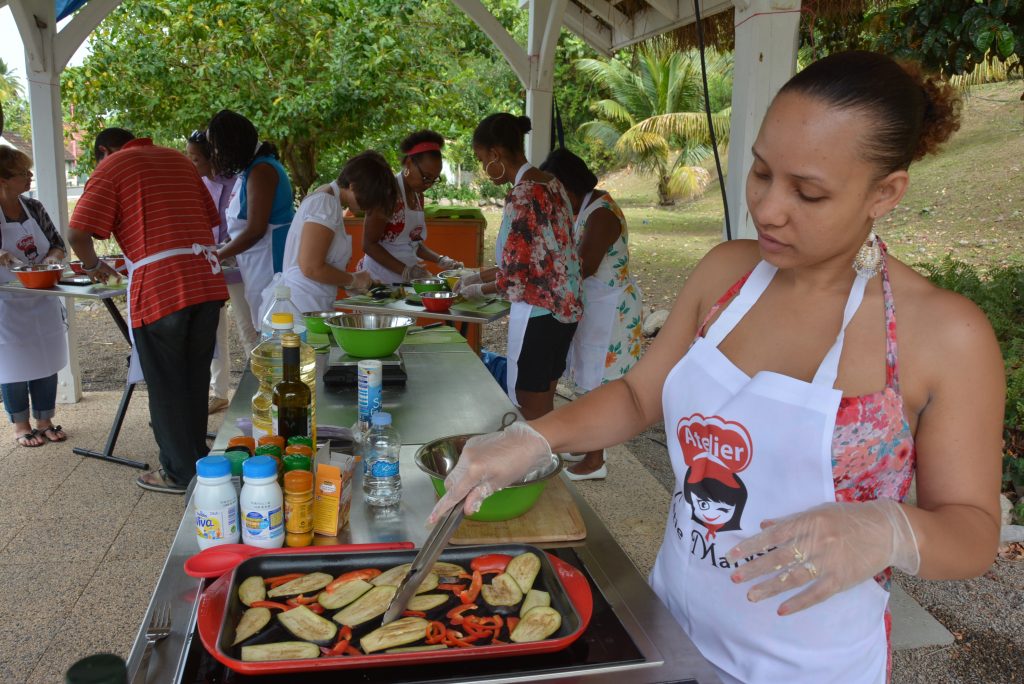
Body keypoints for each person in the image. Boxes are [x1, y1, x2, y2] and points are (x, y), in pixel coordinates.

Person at [432, 52, 1004, 683]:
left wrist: (888, 529)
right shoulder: (728, 274)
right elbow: (637, 398)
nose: (769, 209)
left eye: (808, 192)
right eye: (760, 173)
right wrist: (534, 437)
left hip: (810, 665)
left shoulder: (944, 336)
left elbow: (973, 533)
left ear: (886, 192)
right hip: (669, 623)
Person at [69, 128, 227, 494]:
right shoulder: (179, 160)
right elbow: (210, 219)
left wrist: (94, 267)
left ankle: (177, 473)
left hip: (160, 286)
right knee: (193, 375)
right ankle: (196, 457)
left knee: (166, 382)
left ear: (104, 150)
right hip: (205, 280)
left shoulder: (112, 166)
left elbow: (78, 234)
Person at [456, 114, 582, 420]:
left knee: (530, 404)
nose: (484, 168)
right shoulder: (552, 184)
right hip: (565, 309)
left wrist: (476, 289)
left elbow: (515, 277)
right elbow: (539, 256)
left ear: (495, 155)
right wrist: (481, 275)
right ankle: (545, 459)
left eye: (481, 159)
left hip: (539, 314)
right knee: (544, 398)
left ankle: (537, 464)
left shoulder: (524, 194)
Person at [539, 148, 644, 480]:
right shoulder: (585, 208)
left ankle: (595, 459)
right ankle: (588, 446)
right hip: (596, 306)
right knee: (587, 378)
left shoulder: (601, 214)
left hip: (611, 311)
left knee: (599, 385)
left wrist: (540, 280)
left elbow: (582, 267)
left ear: (567, 189)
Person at [260, 151, 395, 318]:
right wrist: (352, 279)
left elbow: (319, 264)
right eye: (370, 200)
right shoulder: (325, 204)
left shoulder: (328, 199)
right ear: (353, 186)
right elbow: (311, 267)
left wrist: (350, 283)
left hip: (310, 301)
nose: (368, 208)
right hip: (302, 304)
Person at [0, 148, 68, 447]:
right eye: (22, 173)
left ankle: (44, 420)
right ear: (3, 180)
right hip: (7, 302)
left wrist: (52, 258)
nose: (30, 177)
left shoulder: (34, 207)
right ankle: (20, 424)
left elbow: (57, 243)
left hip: (41, 294)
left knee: (45, 358)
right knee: (12, 363)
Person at [206, 110, 295, 331]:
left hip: (270, 262)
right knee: (267, 325)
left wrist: (218, 256)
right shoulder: (253, 169)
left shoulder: (262, 171)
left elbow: (255, 229)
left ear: (230, 144)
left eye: (216, 147)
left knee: (275, 327)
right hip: (257, 261)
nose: (214, 153)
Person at [186, 128, 247, 414]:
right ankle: (219, 392)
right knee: (212, 330)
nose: (190, 163)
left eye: (195, 158)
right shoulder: (194, 185)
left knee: (248, 328)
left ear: (213, 158)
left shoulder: (238, 181)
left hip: (241, 266)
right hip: (208, 267)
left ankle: (258, 389)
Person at [358, 130, 463, 284]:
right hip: (379, 279)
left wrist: (441, 260)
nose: (428, 185)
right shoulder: (387, 193)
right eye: (426, 177)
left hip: (405, 279)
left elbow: (412, 243)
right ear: (409, 163)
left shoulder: (417, 194)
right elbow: (369, 245)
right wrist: (407, 270)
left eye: (434, 179)